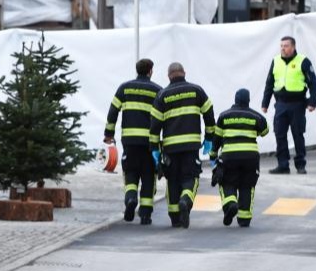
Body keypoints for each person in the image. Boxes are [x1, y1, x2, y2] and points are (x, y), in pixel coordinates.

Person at [149, 62, 216, 229]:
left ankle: (174, 217)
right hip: (191, 146)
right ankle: (185, 200)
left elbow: (155, 125)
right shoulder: (197, 90)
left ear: (168, 76)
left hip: (171, 147)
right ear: (184, 73)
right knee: (190, 177)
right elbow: (209, 113)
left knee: (172, 179)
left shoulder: (162, 95)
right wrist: (209, 137)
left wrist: (154, 149)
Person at [105, 58, 162, 225]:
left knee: (130, 173)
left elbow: (113, 112)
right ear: (150, 71)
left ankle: (130, 199)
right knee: (148, 176)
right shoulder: (158, 91)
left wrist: (108, 134)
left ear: (137, 70)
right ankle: (145, 214)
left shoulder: (124, 88)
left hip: (129, 141)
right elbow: (162, 118)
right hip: (149, 144)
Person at [210, 88, 268, 227]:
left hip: (230, 156)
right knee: (247, 185)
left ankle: (231, 204)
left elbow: (217, 138)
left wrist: (213, 155)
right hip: (251, 157)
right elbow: (265, 131)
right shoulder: (256, 116)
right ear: (248, 100)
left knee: (226, 182)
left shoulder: (224, 116)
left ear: (235, 99)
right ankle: (244, 218)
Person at [261, 35, 316, 174]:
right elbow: (269, 83)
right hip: (280, 104)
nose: (283, 48)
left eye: (286, 46)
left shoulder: (303, 61)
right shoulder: (275, 61)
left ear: (293, 47)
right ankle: (283, 164)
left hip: (297, 104)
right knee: (279, 134)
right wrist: (265, 103)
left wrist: (312, 102)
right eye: (281, 46)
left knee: (298, 134)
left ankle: (300, 164)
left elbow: (313, 84)